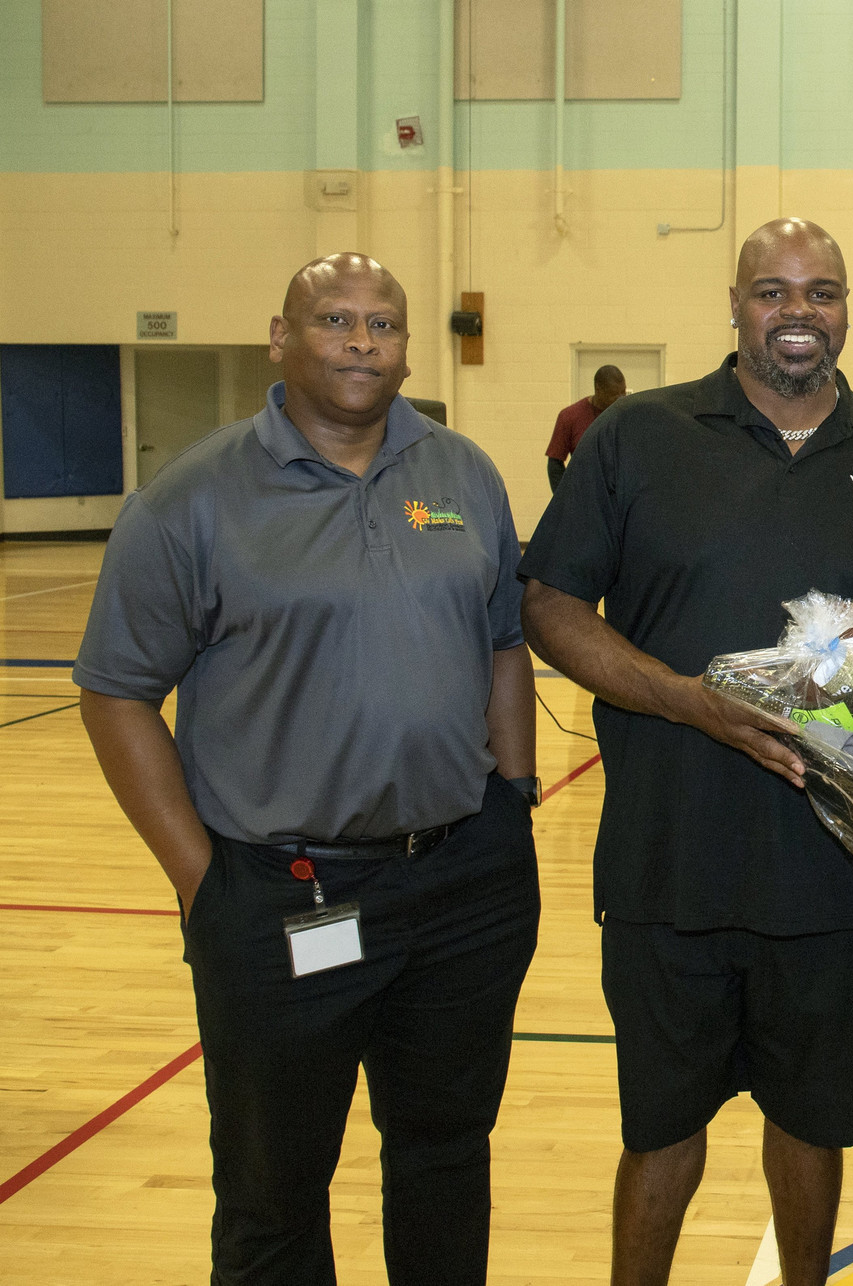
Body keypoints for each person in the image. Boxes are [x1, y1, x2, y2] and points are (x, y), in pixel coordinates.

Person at [73, 253, 541, 1286]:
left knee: (445, 1151)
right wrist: (200, 876)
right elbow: (115, 690)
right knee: (274, 1186)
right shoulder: (191, 500)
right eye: (334, 319)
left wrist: (512, 794)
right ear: (280, 338)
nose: (361, 342)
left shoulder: (459, 472)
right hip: (287, 895)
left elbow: (503, 639)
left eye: (382, 323)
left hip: (461, 881)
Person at [517, 218, 853, 1286]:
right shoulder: (637, 438)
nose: (795, 311)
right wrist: (685, 701)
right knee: (659, 1123)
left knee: (813, 1123)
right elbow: (549, 603)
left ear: (846, 307)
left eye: (819, 291)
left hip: (832, 876)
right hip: (669, 862)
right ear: (734, 303)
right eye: (772, 290)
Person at [546, 364, 627, 490]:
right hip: (586, 493)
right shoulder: (570, 416)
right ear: (598, 389)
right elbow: (554, 464)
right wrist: (565, 499)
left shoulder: (627, 415)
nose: (621, 399)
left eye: (623, 392)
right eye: (614, 395)